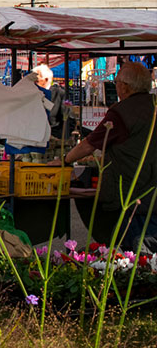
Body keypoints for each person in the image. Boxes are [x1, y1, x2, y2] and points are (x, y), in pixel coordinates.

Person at [61, 62, 157, 250]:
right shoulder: (152, 105)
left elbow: (89, 144)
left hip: (131, 193)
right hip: (151, 191)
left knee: (136, 251)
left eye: (116, 82)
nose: (116, 85)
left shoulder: (123, 112)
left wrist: (65, 160)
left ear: (125, 86)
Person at [32, 64, 68, 138]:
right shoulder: (31, 94)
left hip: (53, 135)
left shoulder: (59, 94)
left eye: (36, 81)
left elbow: (66, 119)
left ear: (46, 79)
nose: (33, 83)